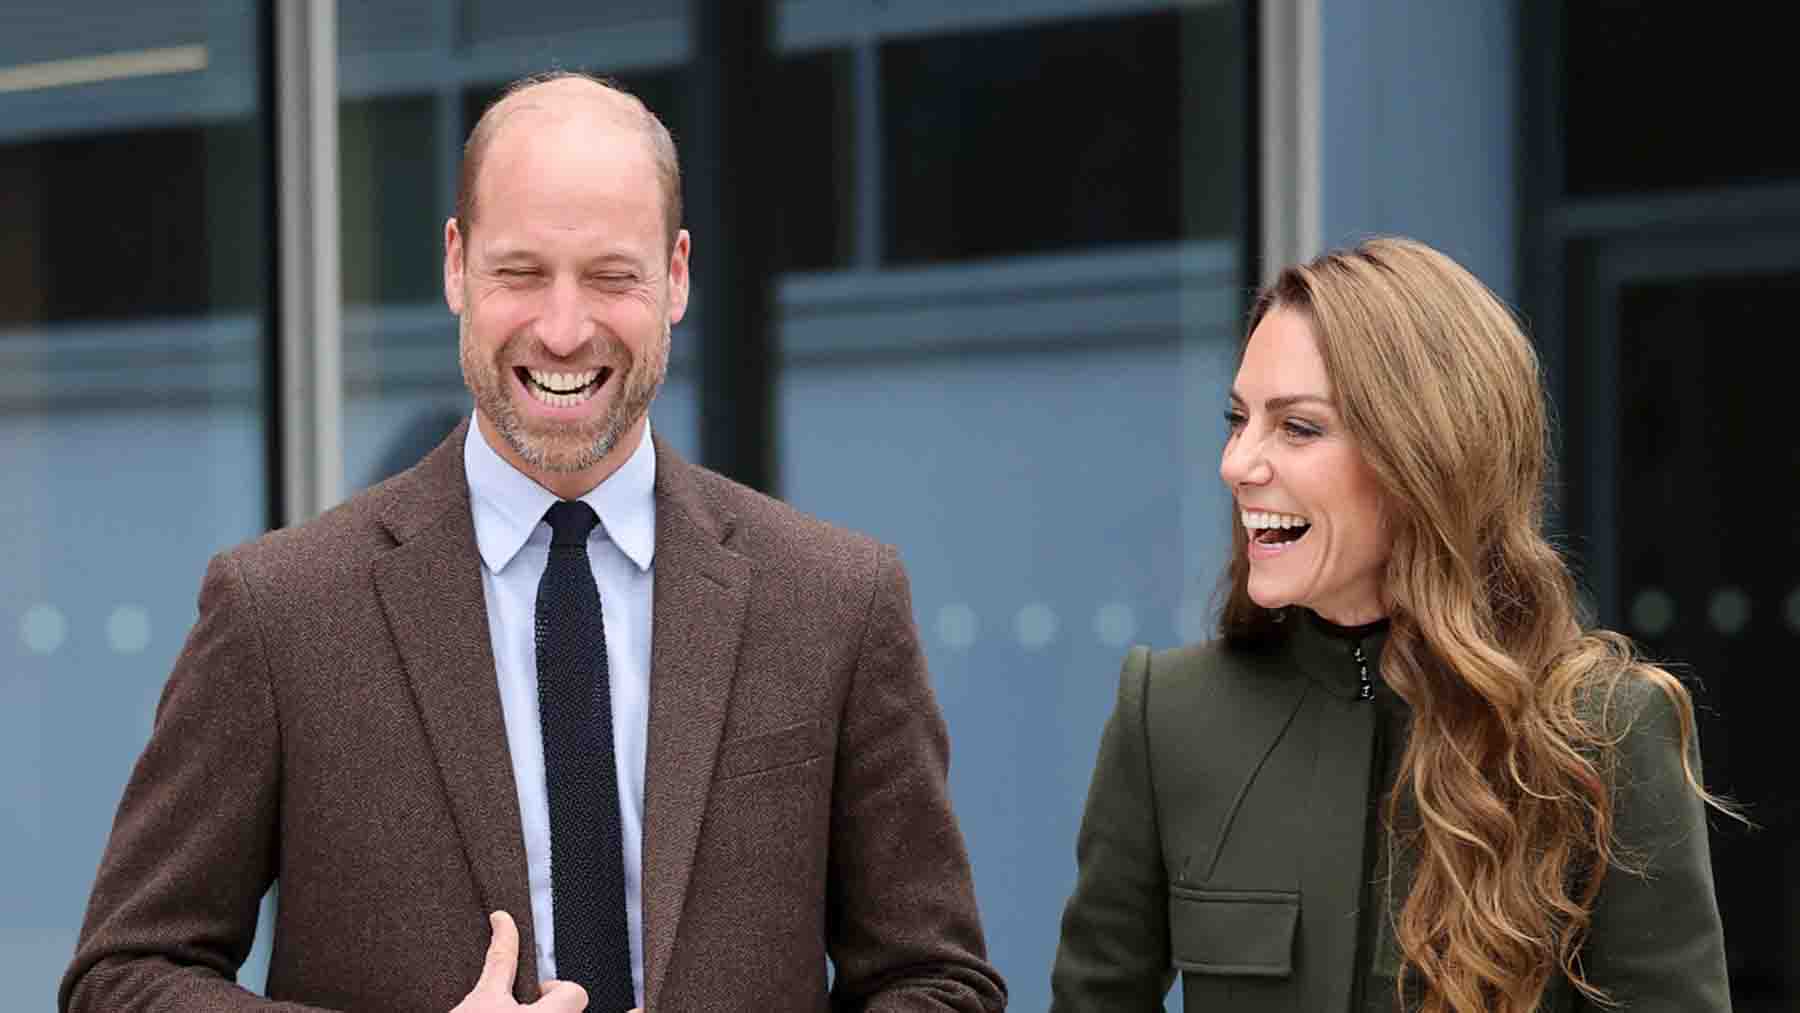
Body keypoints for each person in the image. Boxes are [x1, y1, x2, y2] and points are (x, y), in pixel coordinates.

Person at [61, 72, 1005, 1013]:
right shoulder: (282, 612)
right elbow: (122, 978)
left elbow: (938, 982)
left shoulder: (836, 600)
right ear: (455, 266)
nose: (562, 329)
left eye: (611, 276)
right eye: (520, 274)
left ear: (676, 275)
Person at [1050, 237, 1732, 1012]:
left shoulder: (1604, 732)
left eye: (1298, 427)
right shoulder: (1168, 715)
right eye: (1238, 419)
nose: (1236, 463)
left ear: (1424, 453)